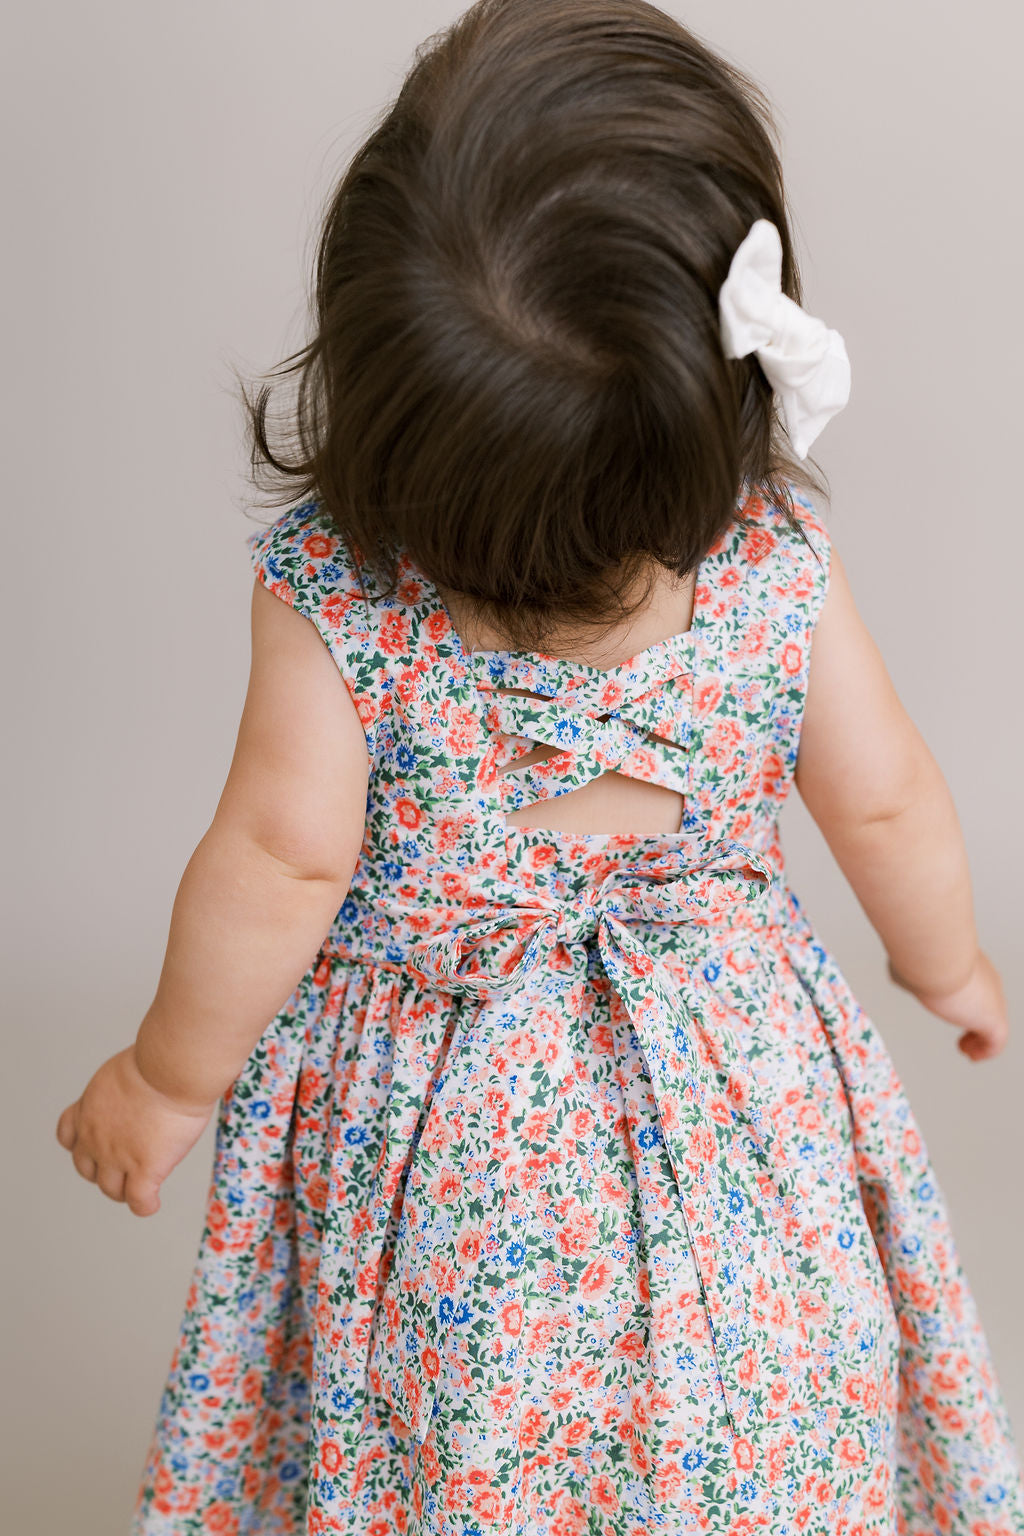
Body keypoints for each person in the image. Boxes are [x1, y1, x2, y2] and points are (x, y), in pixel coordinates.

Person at [55, 1, 1024, 1531]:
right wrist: (952, 962)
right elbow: (885, 793)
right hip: (734, 1092)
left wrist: (167, 1081)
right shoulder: (778, 564)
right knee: (762, 1386)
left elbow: (281, 862)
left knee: (455, 1418)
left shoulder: (334, 599)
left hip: (445, 1136)